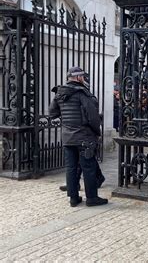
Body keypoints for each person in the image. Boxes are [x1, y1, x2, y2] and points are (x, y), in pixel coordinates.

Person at [49, 67, 108, 207]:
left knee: (71, 168)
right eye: (83, 76)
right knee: (88, 167)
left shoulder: (59, 93)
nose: (84, 79)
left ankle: (73, 198)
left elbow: (52, 113)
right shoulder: (82, 93)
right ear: (78, 77)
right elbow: (93, 117)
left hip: (68, 137)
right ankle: (92, 198)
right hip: (84, 137)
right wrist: (97, 132)